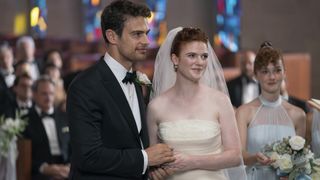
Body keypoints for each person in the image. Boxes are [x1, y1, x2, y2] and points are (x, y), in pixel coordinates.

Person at [66, 1, 174, 179]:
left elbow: (132, 140)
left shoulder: (137, 81)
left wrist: (149, 170)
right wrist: (146, 158)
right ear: (112, 36)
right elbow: (88, 156)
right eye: (137, 34)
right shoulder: (85, 86)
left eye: (146, 33)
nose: (146, 41)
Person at [148, 27, 246, 180]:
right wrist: (154, 170)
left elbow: (235, 156)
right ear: (175, 59)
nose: (199, 62)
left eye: (204, 56)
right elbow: (152, 160)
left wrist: (192, 161)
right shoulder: (156, 107)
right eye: (192, 55)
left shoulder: (220, 101)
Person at [236, 42, 306, 180]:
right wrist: (254, 157)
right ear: (256, 75)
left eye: (277, 70)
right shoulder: (244, 112)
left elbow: (299, 161)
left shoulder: (298, 115)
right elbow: (239, 155)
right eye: (265, 71)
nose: (272, 77)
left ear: (284, 73)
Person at [23, 76, 70, 180]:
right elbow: (23, 153)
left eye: (51, 93)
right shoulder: (25, 120)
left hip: (66, 167)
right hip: (40, 170)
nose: (48, 97)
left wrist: (70, 166)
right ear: (34, 94)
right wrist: (44, 168)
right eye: (44, 93)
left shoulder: (65, 117)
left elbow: (75, 146)